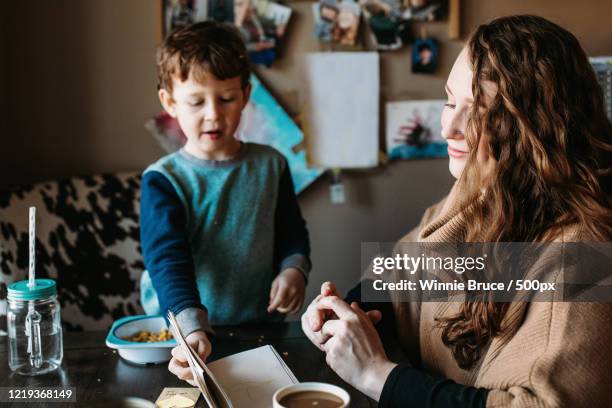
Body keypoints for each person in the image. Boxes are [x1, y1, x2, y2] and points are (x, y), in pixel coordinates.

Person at [302, 15, 612, 407]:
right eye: (450, 100)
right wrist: (345, 313)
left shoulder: (588, 256)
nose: (449, 126)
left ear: (539, 127)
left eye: (480, 110)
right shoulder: (475, 196)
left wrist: (376, 375)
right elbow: (400, 273)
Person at [140, 21, 311, 384]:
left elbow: (292, 231)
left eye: (227, 98)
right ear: (170, 102)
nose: (214, 114)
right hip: (181, 333)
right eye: (197, 101)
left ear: (246, 95)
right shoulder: (163, 180)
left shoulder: (271, 164)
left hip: (258, 324)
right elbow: (166, 258)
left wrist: (293, 269)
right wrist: (189, 326)